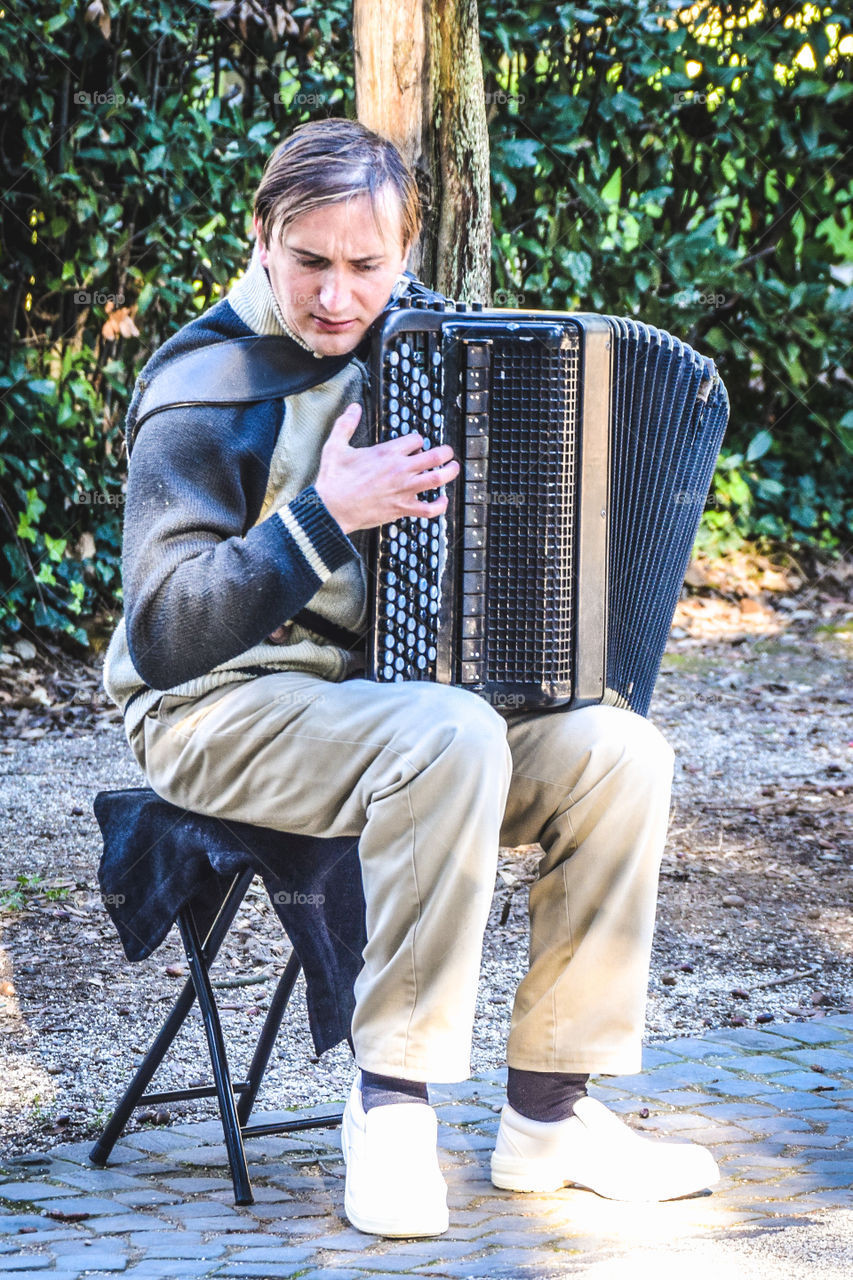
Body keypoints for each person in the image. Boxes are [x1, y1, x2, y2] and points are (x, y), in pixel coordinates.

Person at [103, 117, 719, 1238]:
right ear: (262, 237)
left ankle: (550, 1115)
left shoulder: (426, 351)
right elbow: (164, 631)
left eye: (367, 267)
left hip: (374, 708)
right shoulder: (205, 385)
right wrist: (322, 517)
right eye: (311, 262)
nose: (339, 297)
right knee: (449, 733)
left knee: (618, 754)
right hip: (214, 708)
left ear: (405, 256)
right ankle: (391, 1105)